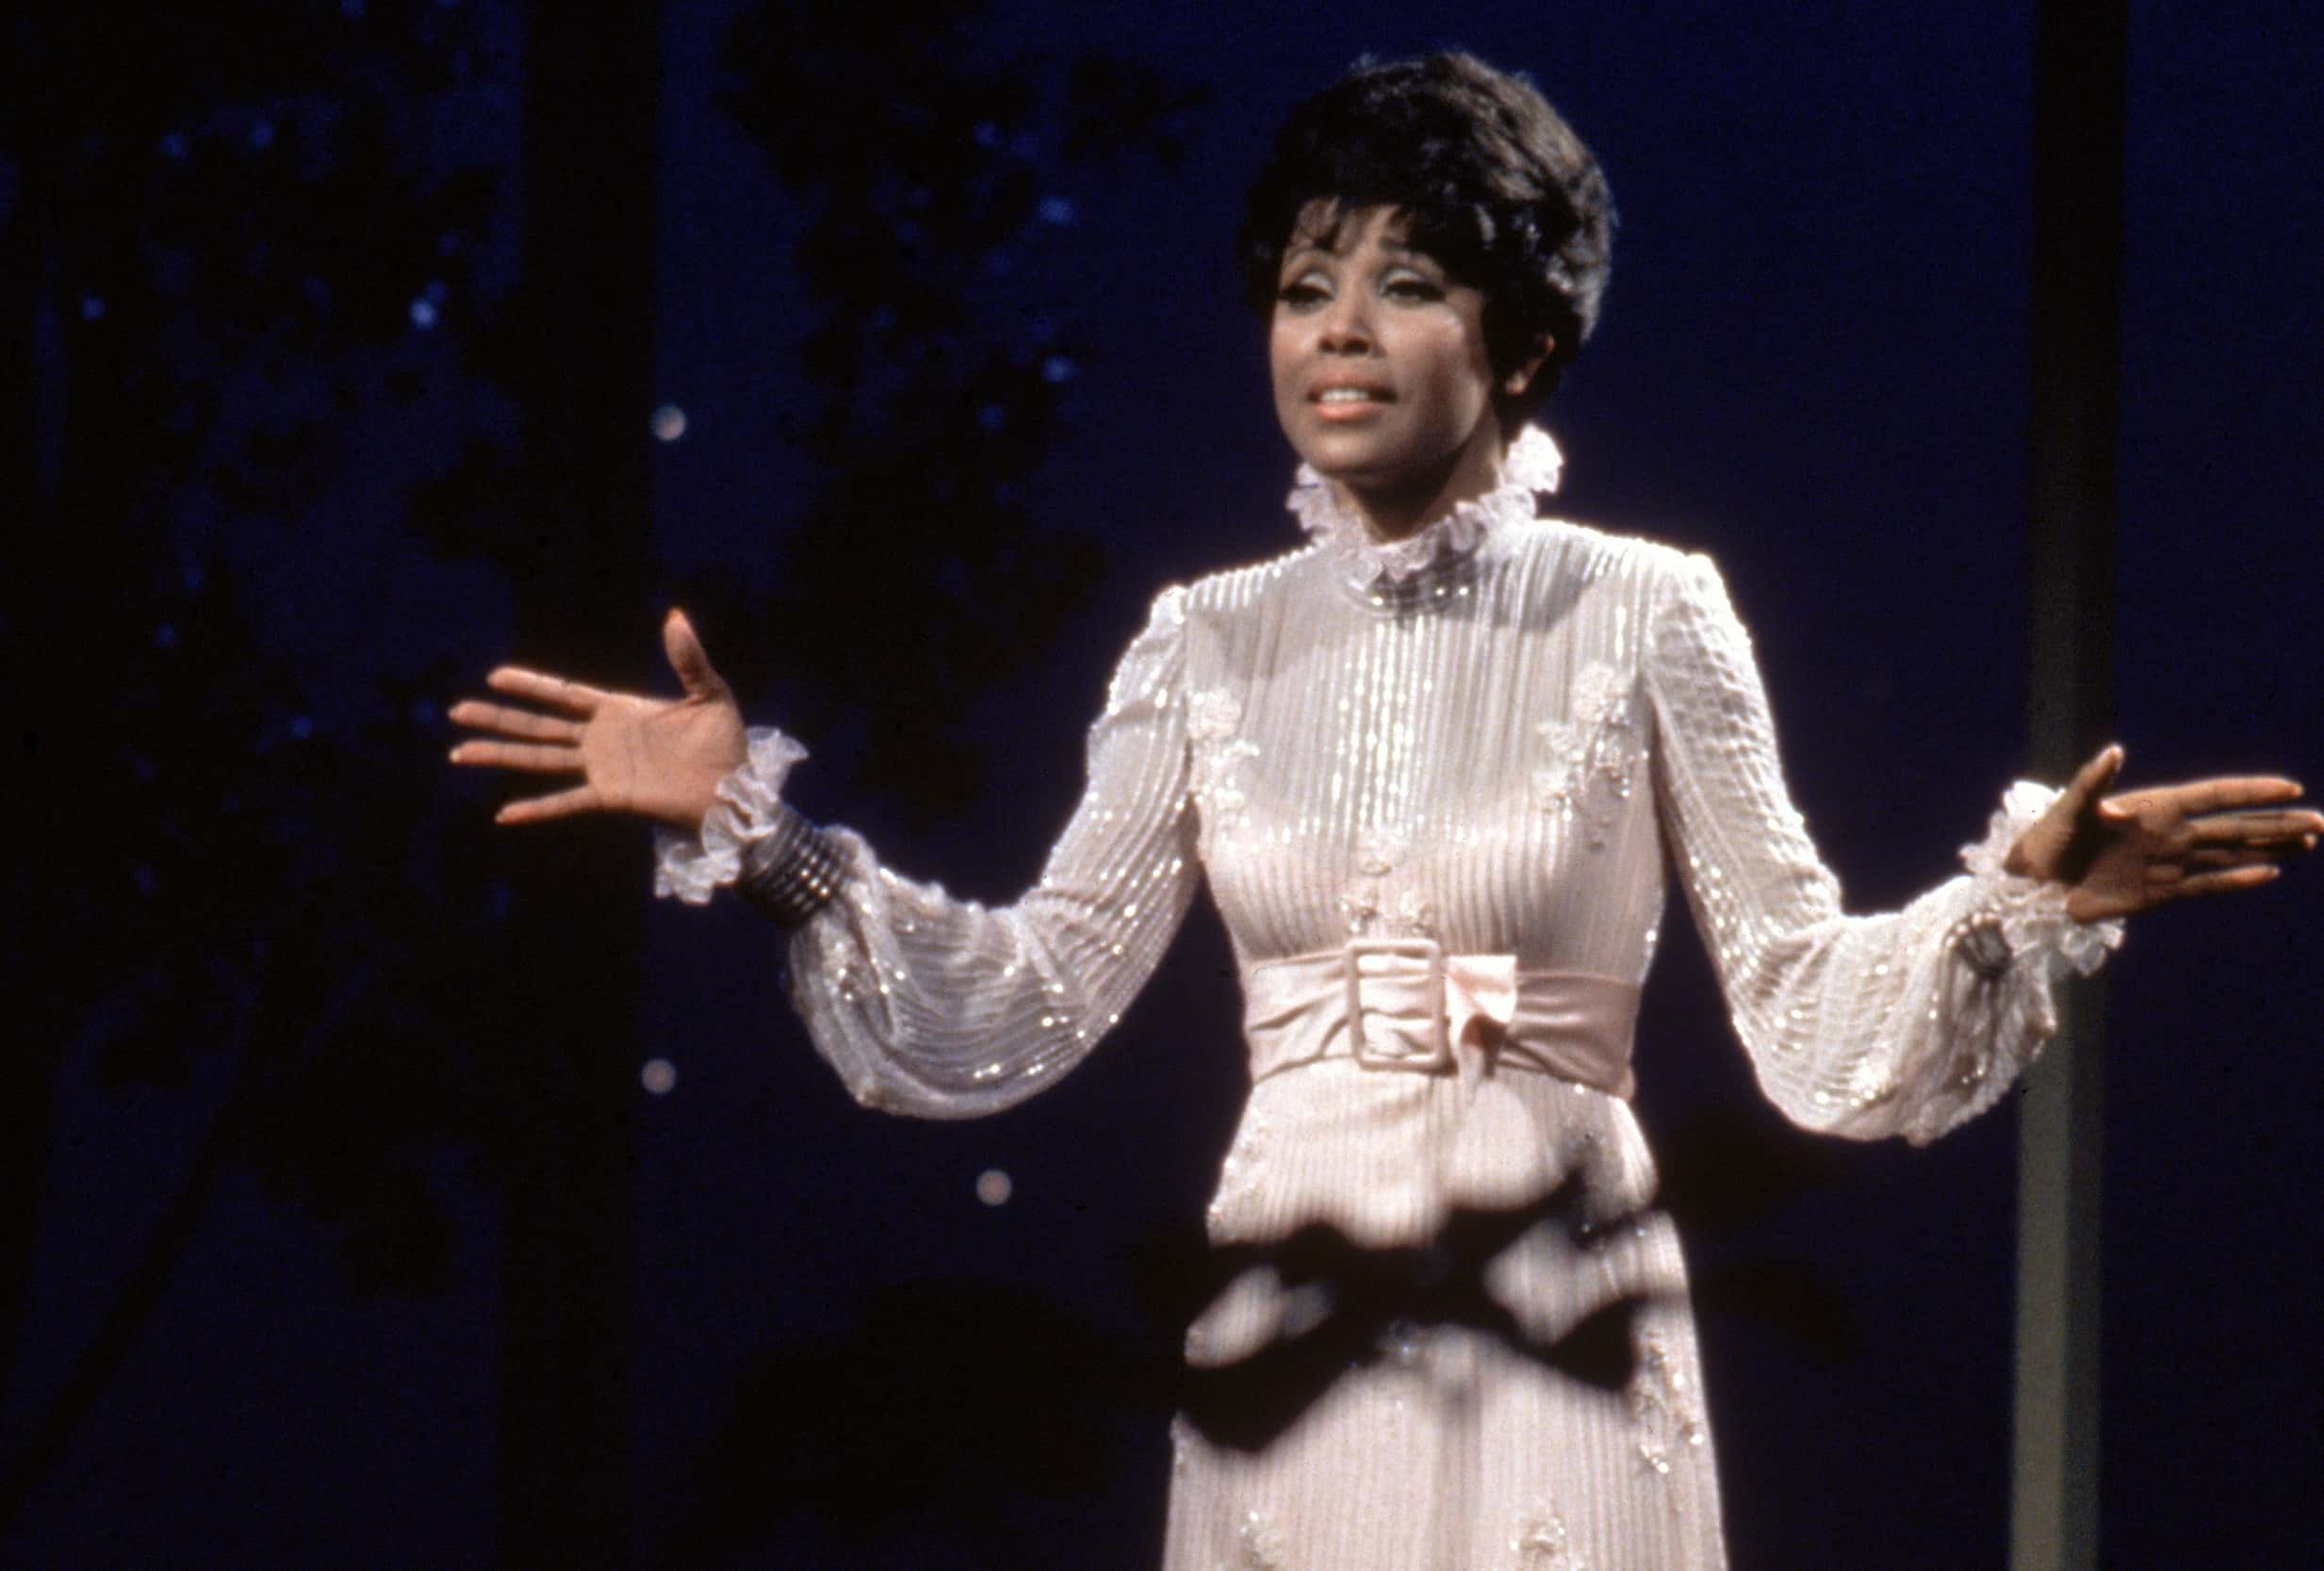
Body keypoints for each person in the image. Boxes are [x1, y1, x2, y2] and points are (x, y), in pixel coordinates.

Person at [450, 53, 2317, 1571]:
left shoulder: (1650, 605)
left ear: (1517, 343)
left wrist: (2019, 903)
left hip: (1564, 1315)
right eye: (1304, 283)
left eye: (1407, 280)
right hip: (1292, 1314)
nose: (1337, 330)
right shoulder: (1200, 641)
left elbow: (1809, 1015)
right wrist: (765, 847)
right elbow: (1021, 996)